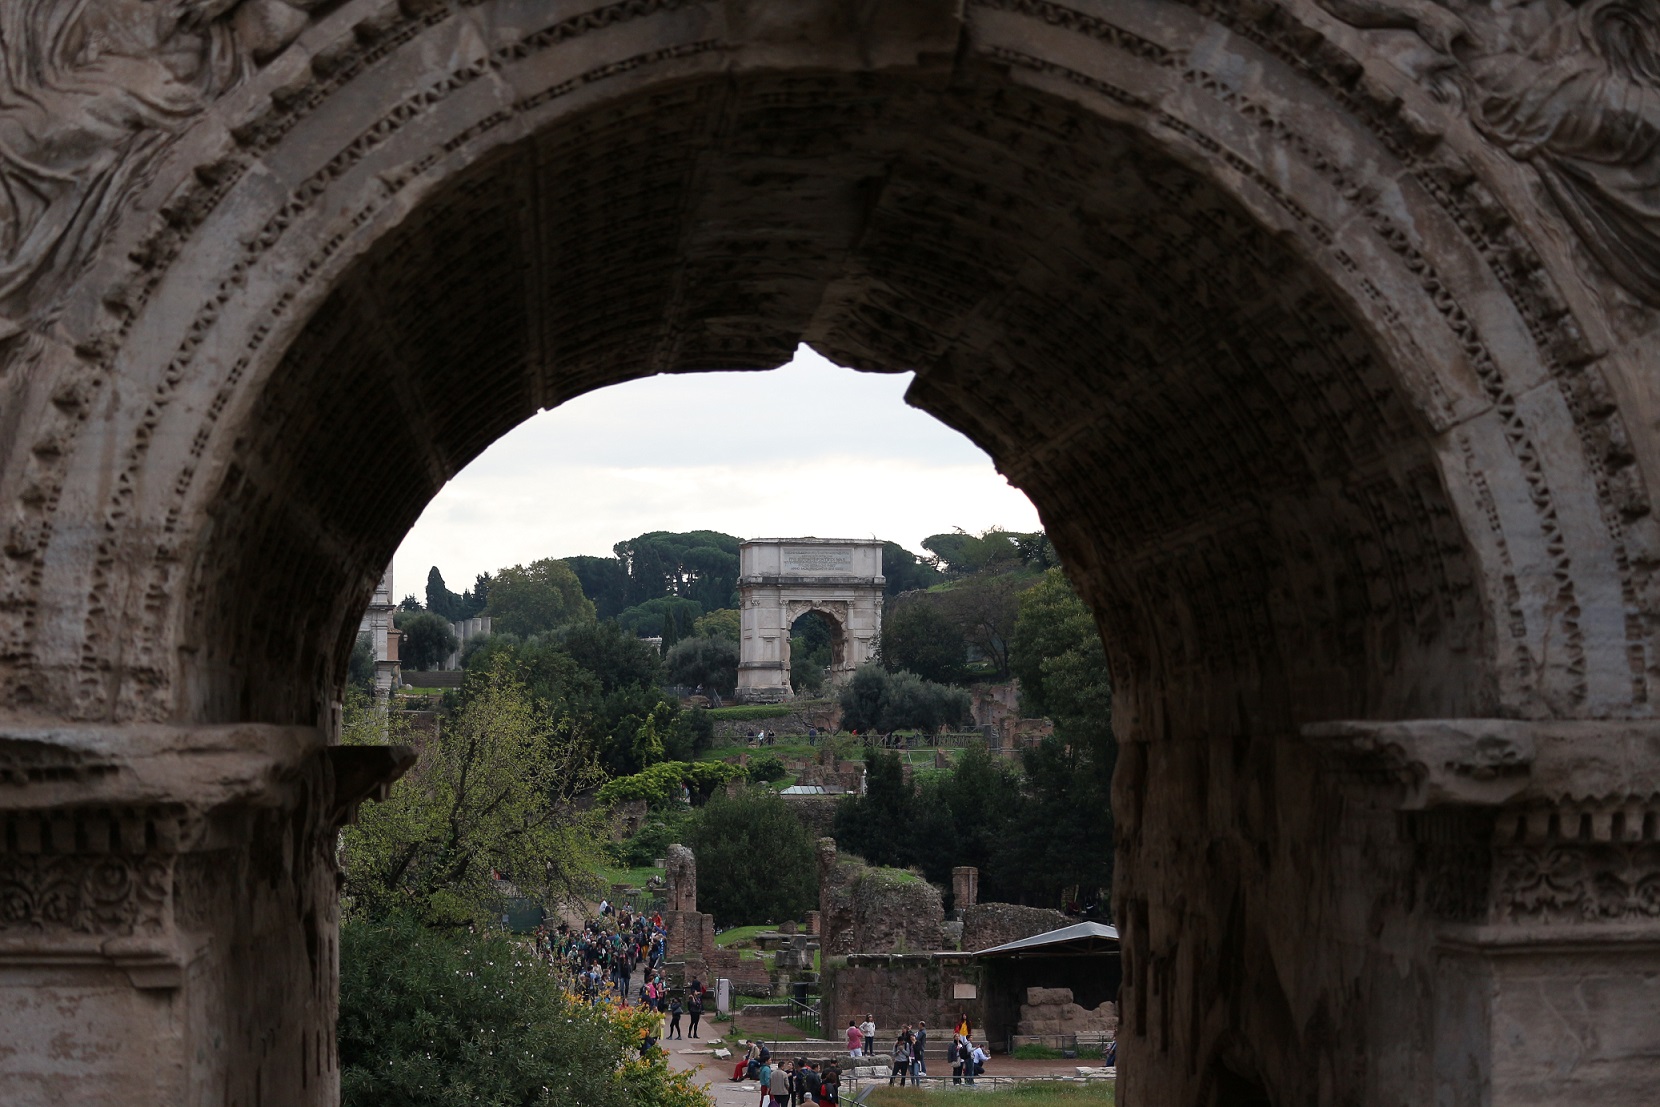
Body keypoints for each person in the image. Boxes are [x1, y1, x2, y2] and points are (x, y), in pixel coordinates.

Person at [912, 1021, 927, 1086]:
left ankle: (924, 1071)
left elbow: (917, 1038)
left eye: (919, 1025)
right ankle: (921, 1070)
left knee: (921, 1059)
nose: (918, 1026)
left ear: (921, 1025)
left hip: (921, 1047)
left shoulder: (923, 1032)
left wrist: (914, 1038)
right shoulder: (920, 1031)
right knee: (920, 1059)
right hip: (919, 1046)